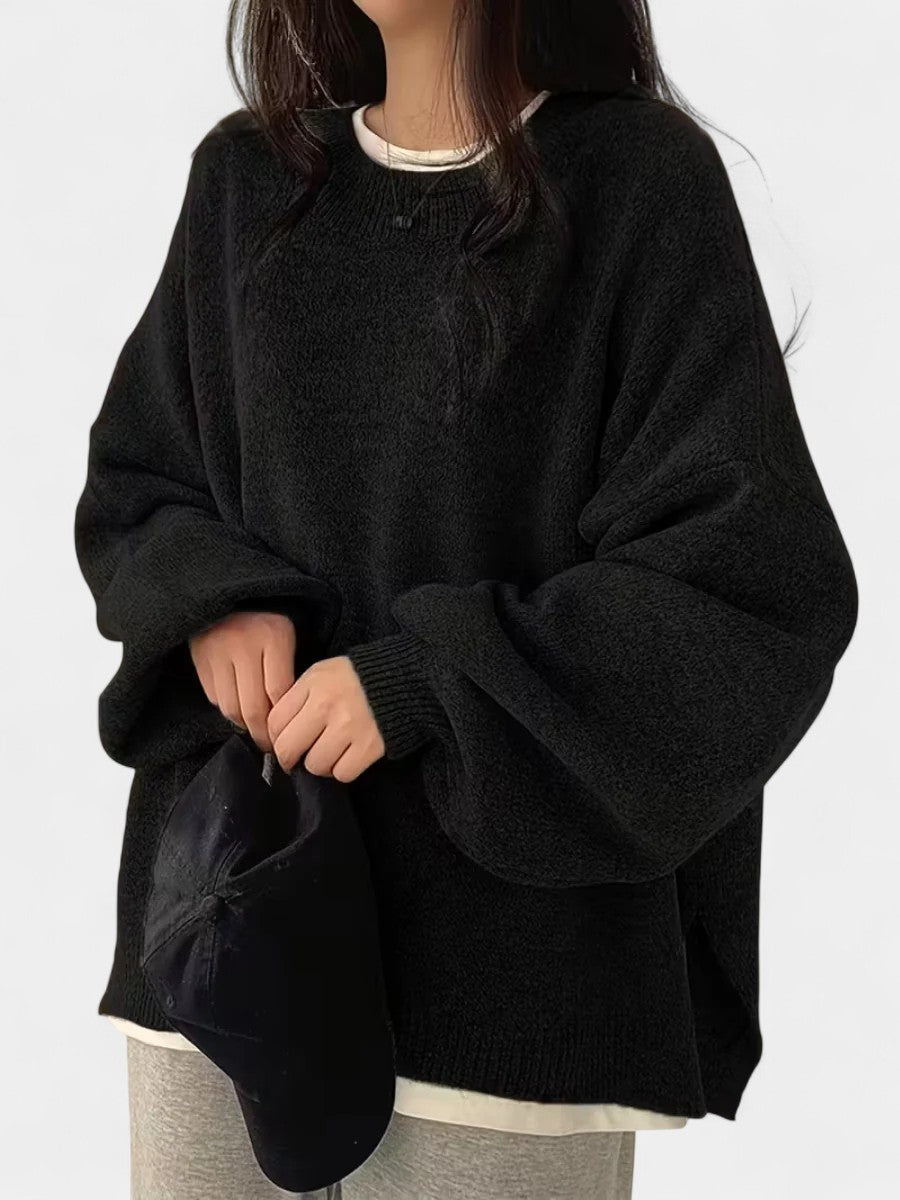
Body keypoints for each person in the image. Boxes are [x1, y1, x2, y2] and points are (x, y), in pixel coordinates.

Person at [74, 2, 858, 1198]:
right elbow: (140, 482)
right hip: (222, 946)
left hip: (508, 995)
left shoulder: (636, 185)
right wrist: (211, 595)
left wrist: (425, 682)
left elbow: (749, 580)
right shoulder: (248, 181)